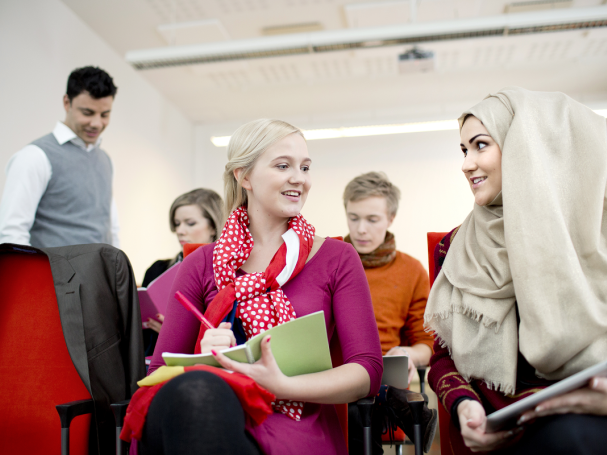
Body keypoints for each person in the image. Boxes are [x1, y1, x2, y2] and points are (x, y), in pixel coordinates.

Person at [122, 118, 383, 455]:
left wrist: (282, 384)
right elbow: (159, 372)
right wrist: (202, 358)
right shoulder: (201, 262)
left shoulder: (337, 258)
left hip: (291, 418)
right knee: (198, 394)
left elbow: (368, 371)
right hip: (206, 405)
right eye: (283, 165)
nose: (298, 178)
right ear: (244, 177)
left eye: (305, 167)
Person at [425, 86, 607, 454]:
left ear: (527, 146)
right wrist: (465, 404)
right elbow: (443, 356)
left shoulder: (594, 231)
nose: (466, 164)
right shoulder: (456, 246)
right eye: (463, 150)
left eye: (480, 145)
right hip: (507, 423)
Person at [343, 171, 437, 454]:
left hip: (381, 371)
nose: (361, 229)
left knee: (363, 407)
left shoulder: (411, 270)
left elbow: (428, 344)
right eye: (353, 217)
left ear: (390, 219)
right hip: (336, 373)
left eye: (372, 220)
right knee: (359, 408)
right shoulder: (328, 262)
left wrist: (408, 354)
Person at [0, 66, 120, 248]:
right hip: (52, 276)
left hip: (99, 275)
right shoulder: (35, 156)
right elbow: (12, 233)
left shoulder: (105, 160)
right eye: (87, 113)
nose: (96, 123)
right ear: (67, 103)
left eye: (105, 115)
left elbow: (111, 228)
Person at [141, 188, 223, 355]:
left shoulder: (225, 273)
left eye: (190, 223)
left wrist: (175, 332)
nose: (180, 231)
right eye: (177, 224)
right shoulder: (157, 269)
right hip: (153, 357)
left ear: (213, 227)